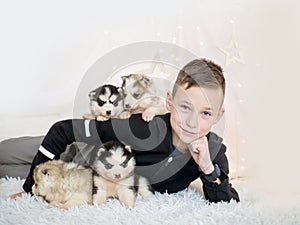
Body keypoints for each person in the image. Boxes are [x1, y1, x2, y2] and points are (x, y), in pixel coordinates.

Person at [9, 58, 239, 203]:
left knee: (8, 171)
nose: (192, 123)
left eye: (205, 113)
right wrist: (31, 187)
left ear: (218, 116)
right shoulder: (141, 127)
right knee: (7, 152)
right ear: (169, 102)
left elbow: (228, 200)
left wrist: (208, 169)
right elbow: (62, 130)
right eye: (185, 107)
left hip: (81, 176)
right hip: (78, 151)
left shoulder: (214, 151)